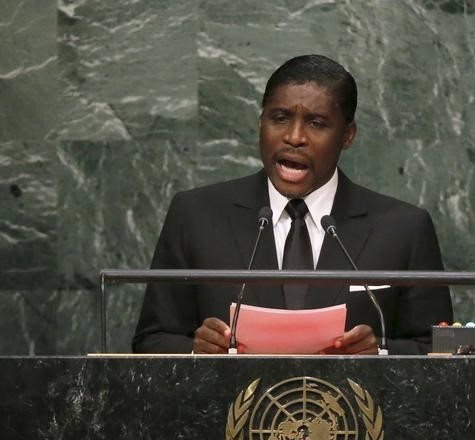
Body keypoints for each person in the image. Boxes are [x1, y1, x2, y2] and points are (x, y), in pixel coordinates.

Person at [133, 54, 452, 355]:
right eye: (281, 118)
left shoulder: (403, 228)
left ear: (347, 136)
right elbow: (152, 340)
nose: (294, 137)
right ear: (261, 123)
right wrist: (195, 349)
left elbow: (439, 350)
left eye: (316, 123)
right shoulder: (195, 215)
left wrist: (380, 351)